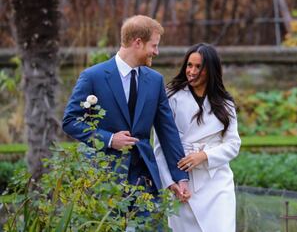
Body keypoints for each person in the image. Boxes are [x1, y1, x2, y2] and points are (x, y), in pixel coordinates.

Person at [62, 15, 190, 202]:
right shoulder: (93, 77)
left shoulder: (155, 81)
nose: (157, 52)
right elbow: (70, 121)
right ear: (138, 43)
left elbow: (167, 130)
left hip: (146, 179)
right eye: (154, 45)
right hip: (105, 178)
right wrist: (110, 139)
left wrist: (180, 177)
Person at [154, 43, 241, 232]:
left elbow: (233, 144)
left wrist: (204, 156)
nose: (191, 71)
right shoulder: (172, 98)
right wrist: (170, 182)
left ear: (210, 70)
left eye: (198, 67)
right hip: (183, 183)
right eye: (189, 65)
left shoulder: (225, 103)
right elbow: (160, 146)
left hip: (216, 182)